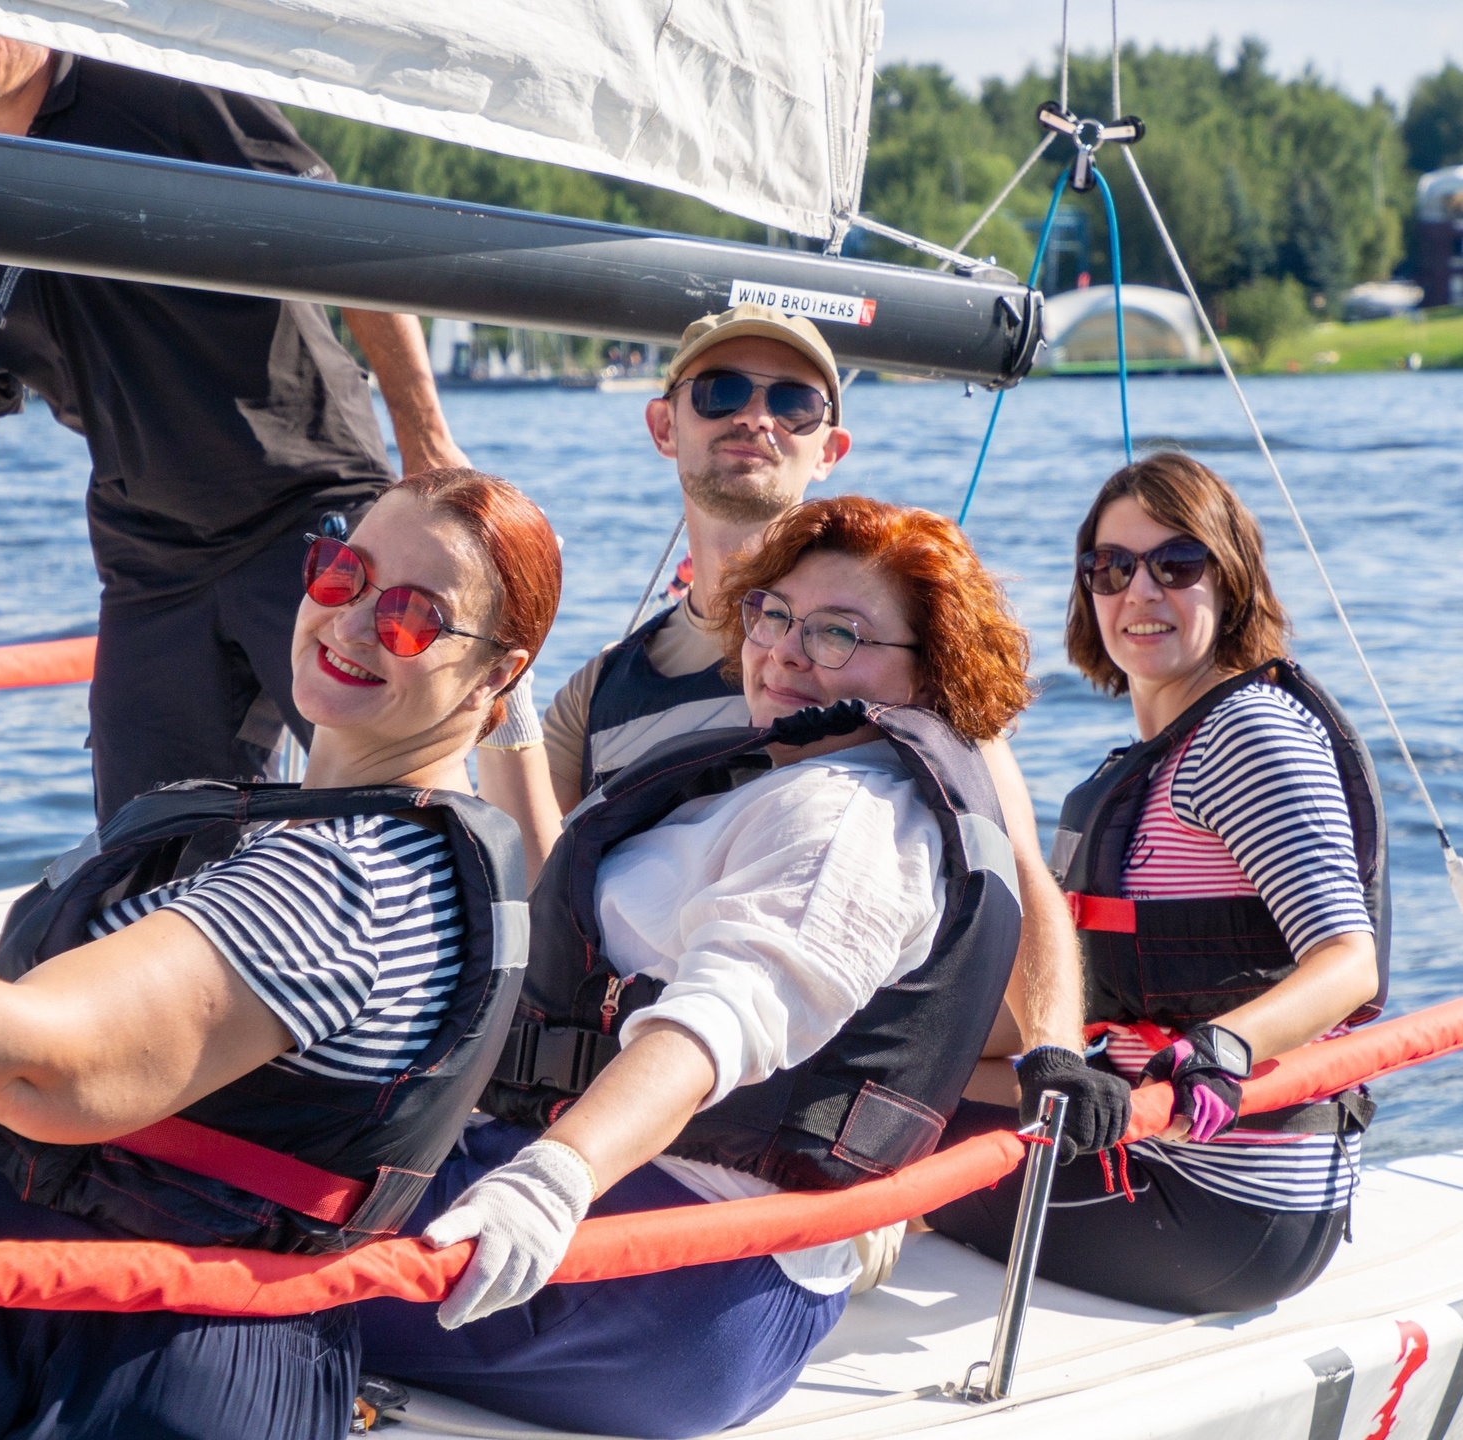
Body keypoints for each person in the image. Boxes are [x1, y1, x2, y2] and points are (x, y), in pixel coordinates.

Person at [0, 471, 559, 1439]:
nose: (350, 623)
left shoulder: (352, 876)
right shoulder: (340, 835)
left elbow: (41, 1064)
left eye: (414, 617)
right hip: (149, 1321)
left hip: (96, 1350)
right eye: (343, 574)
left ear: (498, 676)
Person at [360, 496, 1031, 1438]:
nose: (787, 652)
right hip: (695, 1282)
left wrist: (553, 1179)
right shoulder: (788, 786)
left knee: (212, 1223)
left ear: (933, 672)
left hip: (664, 1276)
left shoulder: (846, 818)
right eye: (774, 615)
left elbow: (721, 1019)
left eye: (840, 633)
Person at [0, 15, 468, 822]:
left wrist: (426, 439)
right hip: (151, 564)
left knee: (394, 807)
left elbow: (346, 235)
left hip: (306, 512)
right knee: (144, 847)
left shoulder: (165, 91)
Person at [476, 303, 1108, 1161]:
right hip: (638, 1101)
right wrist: (492, 676)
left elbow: (1017, 870)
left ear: (830, 447)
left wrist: (1055, 1052)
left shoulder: (897, 666)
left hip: (800, 1112)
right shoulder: (600, 693)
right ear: (664, 425)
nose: (755, 417)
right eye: (721, 391)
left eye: (793, 403)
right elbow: (544, 897)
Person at [929, 453, 1388, 1315]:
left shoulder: (1247, 733)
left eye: (1177, 564)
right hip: (1173, 1160)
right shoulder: (1163, 756)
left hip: (1219, 1204)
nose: (1139, 591)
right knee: (886, 1083)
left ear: (1232, 579)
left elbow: (1348, 962)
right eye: (1110, 567)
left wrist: (1224, 1049)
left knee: (872, 1132)